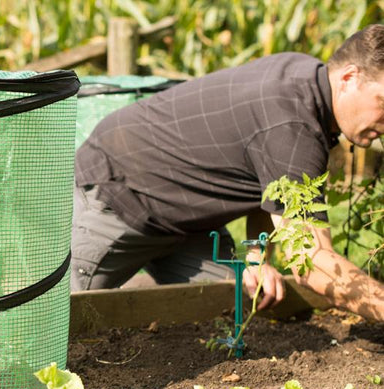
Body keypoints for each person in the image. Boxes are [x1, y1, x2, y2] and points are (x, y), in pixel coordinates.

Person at [72, 24, 384, 322]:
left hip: (189, 224)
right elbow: (313, 263)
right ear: (349, 78)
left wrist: (256, 257)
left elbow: (269, 189)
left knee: (243, 309)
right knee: (52, 324)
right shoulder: (294, 125)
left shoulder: (306, 77)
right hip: (119, 193)